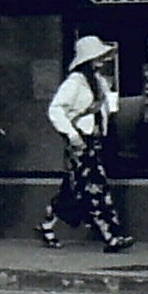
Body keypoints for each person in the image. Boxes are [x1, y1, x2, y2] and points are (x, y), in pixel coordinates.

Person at [40, 35, 132, 253]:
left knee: (75, 189)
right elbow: (55, 109)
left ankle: (47, 225)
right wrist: (72, 135)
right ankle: (111, 235)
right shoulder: (74, 82)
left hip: (94, 139)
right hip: (80, 140)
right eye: (97, 56)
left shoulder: (98, 80)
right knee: (96, 187)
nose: (102, 59)